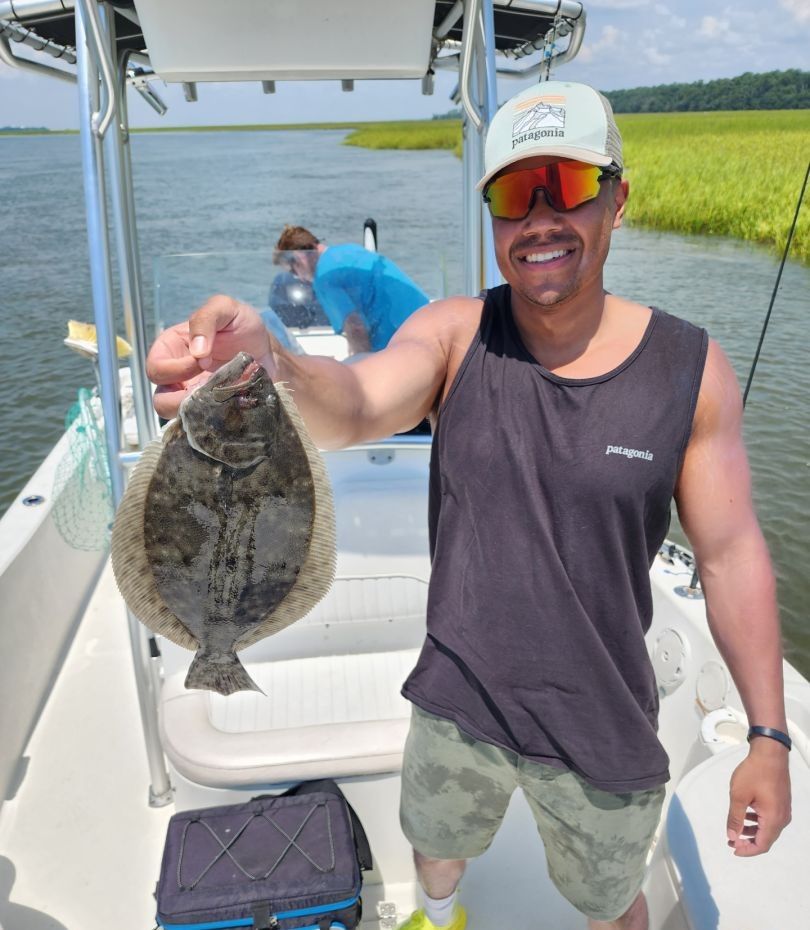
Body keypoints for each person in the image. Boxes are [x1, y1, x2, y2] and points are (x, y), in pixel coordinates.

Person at [146, 80, 792, 930]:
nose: (539, 219)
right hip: (459, 698)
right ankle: (439, 913)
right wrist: (273, 367)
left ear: (618, 200)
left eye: (565, 185)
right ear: (492, 218)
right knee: (435, 848)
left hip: (600, 716)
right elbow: (357, 402)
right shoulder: (456, 335)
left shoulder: (689, 370)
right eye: (513, 195)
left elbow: (730, 554)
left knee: (613, 900)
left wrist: (768, 738)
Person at [272, 224, 430, 355]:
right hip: (427, 323)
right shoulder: (350, 249)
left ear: (300, 257)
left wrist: (357, 370)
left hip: (403, 344)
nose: (298, 277)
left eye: (293, 270)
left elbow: (355, 328)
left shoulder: (324, 277)